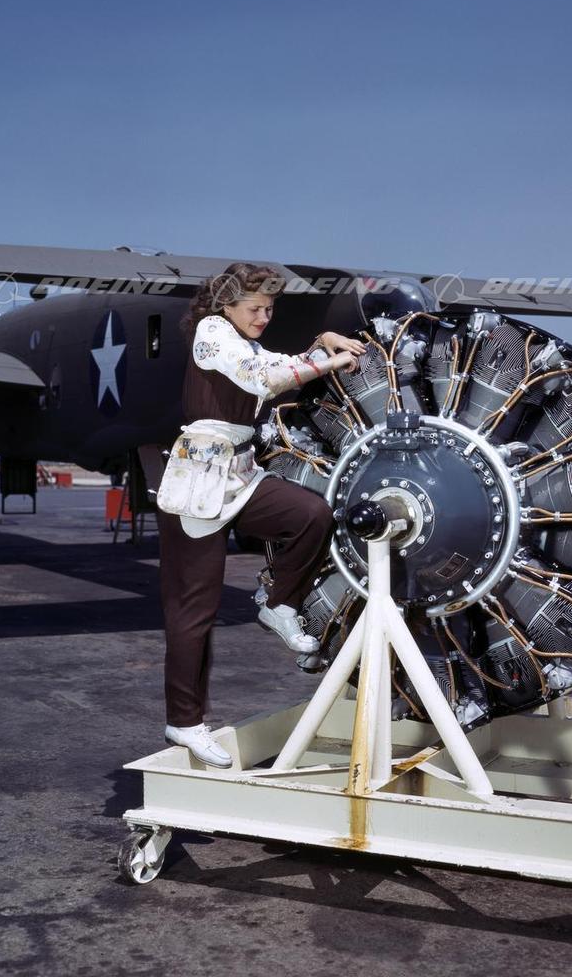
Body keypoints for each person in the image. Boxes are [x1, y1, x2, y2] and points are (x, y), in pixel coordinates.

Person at [157, 262, 365, 767]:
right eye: (255, 308)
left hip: (240, 476)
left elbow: (282, 362)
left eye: (270, 309)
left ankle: (280, 606)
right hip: (198, 485)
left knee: (312, 515)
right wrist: (329, 362)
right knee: (194, 612)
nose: (264, 318)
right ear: (226, 305)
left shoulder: (243, 342)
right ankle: (185, 722)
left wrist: (323, 343)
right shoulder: (212, 333)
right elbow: (267, 377)